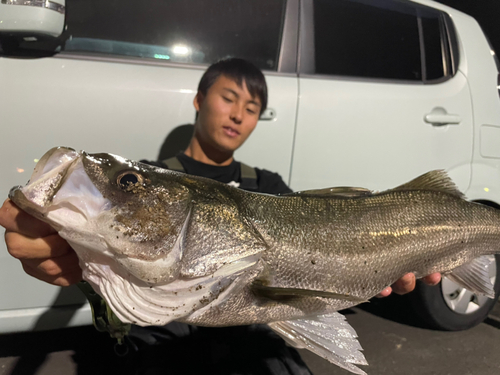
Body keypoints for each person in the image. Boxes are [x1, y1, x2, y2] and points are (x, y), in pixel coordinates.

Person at [0, 58, 440, 374]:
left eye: (251, 109)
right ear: (199, 100)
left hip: (252, 337)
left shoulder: (266, 183)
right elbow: (100, 275)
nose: (238, 115)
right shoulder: (157, 180)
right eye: (229, 98)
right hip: (163, 340)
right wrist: (67, 253)